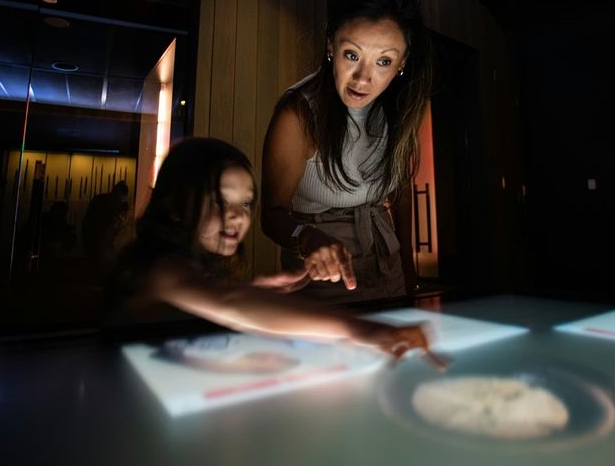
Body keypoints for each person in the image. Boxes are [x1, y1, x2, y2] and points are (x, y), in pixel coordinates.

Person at [109, 137, 435, 361]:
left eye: (247, 203)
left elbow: (211, 298)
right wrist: (363, 329)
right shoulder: (161, 270)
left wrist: (255, 289)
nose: (238, 215)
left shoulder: (183, 268)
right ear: (175, 205)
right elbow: (230, 303)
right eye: (221, 200)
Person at [262, 0, 433, 302]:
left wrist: (408, 266)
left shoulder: (400, 108)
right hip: (320, 269)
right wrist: (306, 237)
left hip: (388, 258)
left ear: (402, 63)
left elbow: (400, 192)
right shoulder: (298, 114)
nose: (363, 78)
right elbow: (271, 215)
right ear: (330, 44)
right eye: (352, 55)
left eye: (383, 61)